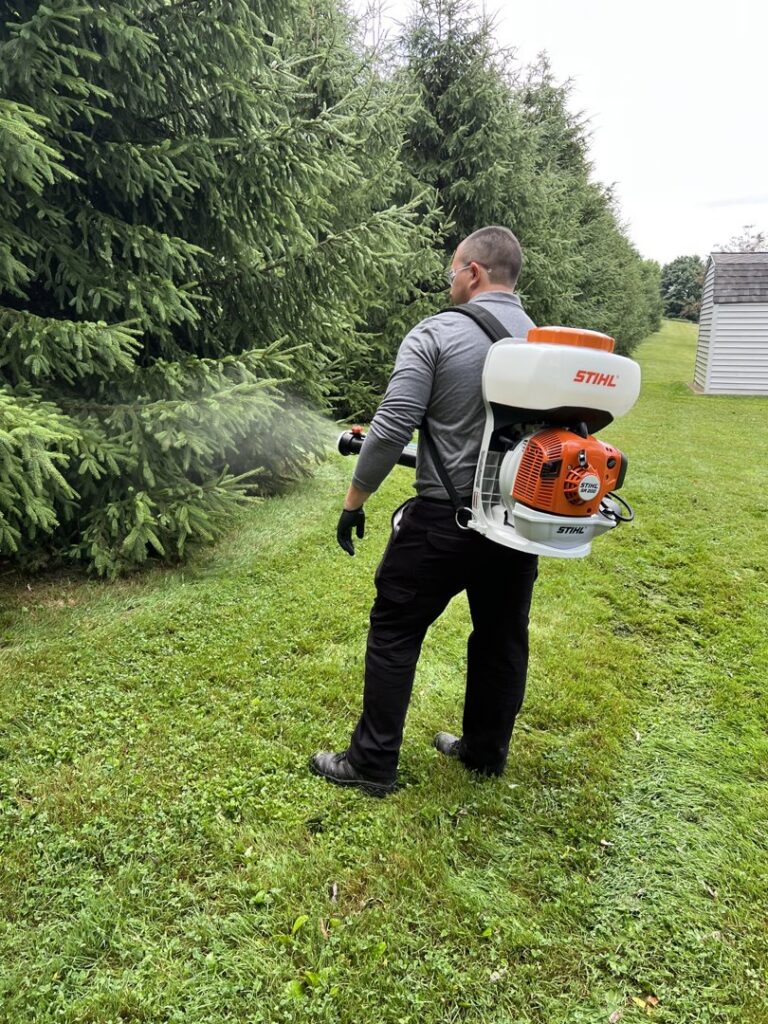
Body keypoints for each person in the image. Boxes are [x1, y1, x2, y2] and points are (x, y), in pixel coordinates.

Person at [310, 226, 539, 797]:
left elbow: (389, 429)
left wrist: (354, 500)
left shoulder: (436, 333)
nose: (451, 278)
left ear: (474, 272)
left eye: (454, 268)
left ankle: (371, 764)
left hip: (442, 523)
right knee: (501, 638)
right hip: (514, 521)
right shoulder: (545, 342)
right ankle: (485, 753)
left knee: (394, 631)